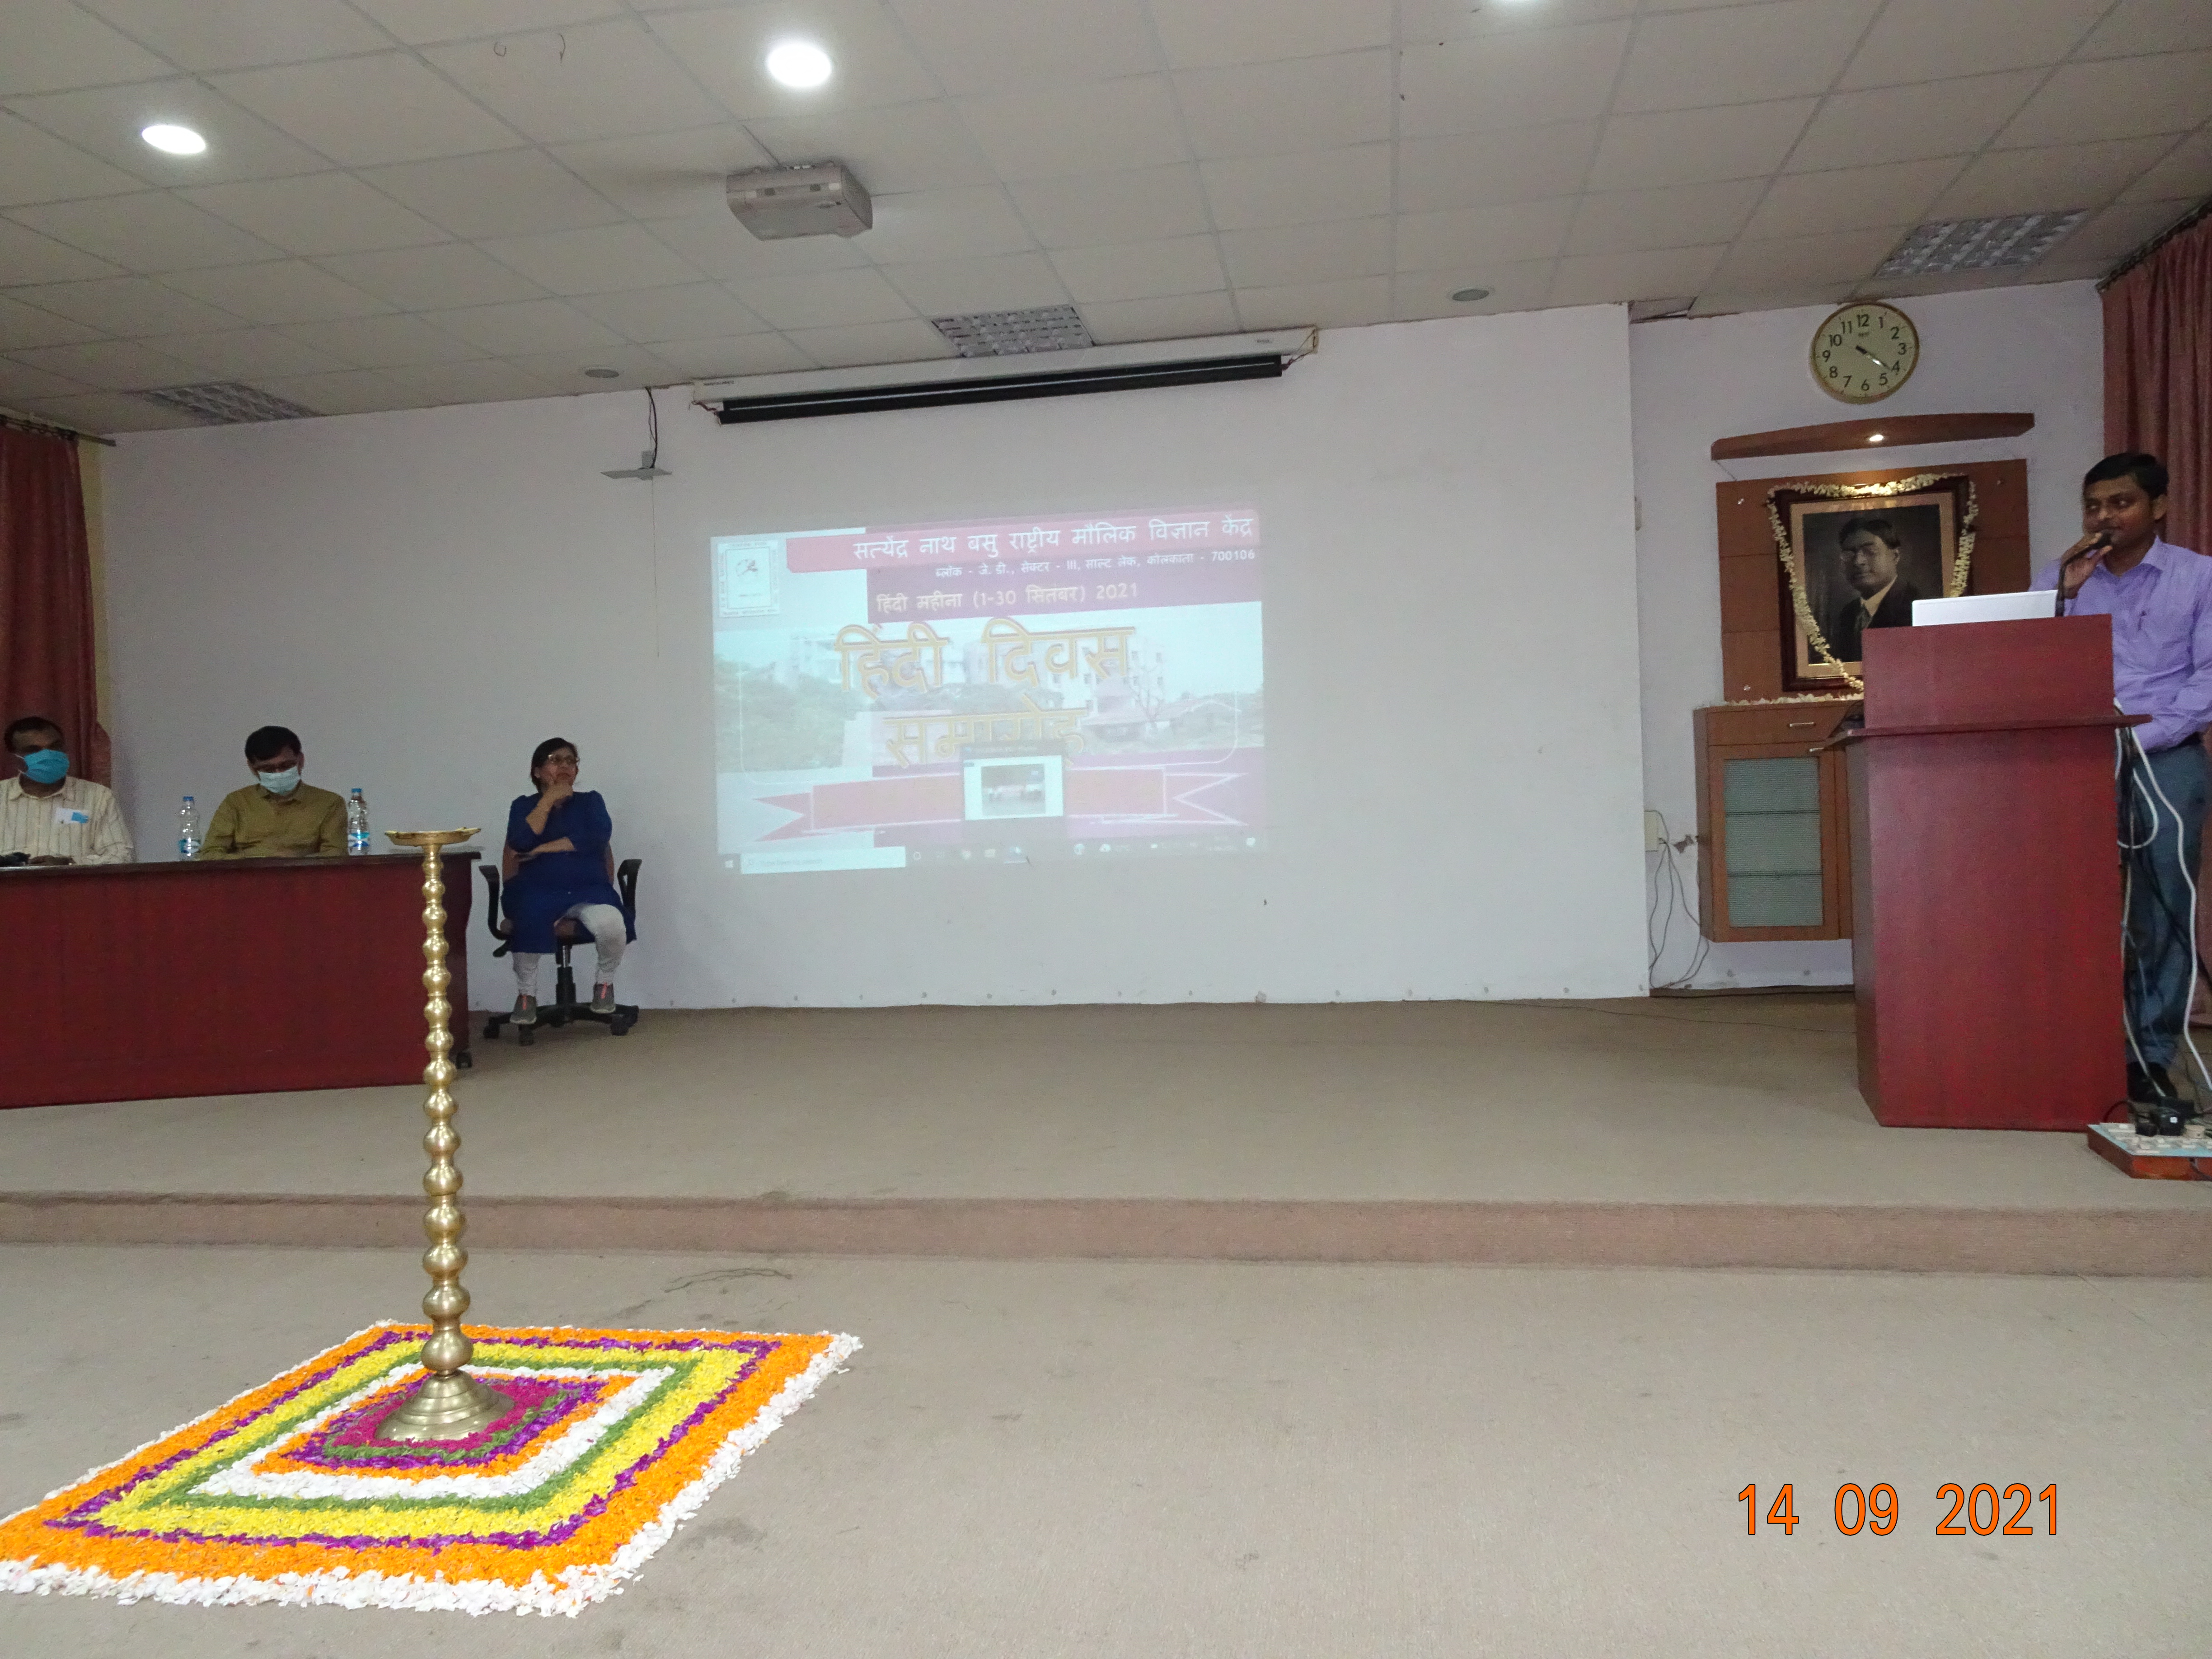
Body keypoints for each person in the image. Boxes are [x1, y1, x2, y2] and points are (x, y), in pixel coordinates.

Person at [2034, 453, 2212, 1108]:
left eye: (2121, 503)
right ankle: (2065, 1041)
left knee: (2161, 904)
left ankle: (2150, 1054)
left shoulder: (2199, 577)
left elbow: (2208, 677)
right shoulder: (2061, 578)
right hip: (2074, 758)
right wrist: (2063, 595)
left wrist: (2144, 737)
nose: (2104, 517)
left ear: (2158, 507)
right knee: (2061, 900)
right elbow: (2018, 658)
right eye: (2094, 506)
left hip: (2165, 754)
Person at [501, 737, 634, 1023]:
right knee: (527, 917)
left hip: (589, 891)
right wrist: (548, 800)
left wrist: (542, 849)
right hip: (538, 891)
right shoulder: (523, 807)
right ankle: (526, 995)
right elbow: (520, 842)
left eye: (570, 761)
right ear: (537, 771)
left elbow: (597, 837)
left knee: (612, 923)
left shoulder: (591, 802)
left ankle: (605, 984)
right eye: (555, 760)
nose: (565, 766)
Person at [0, 716, 133, 866]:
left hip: (74, 881)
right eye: (34, 751)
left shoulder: (98, 797)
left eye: (55, 747)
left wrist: (71, 864)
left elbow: (122, 856)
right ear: (14, 758)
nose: (48, 756)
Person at [198, 725, 347, 858]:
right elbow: (210, 853)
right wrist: (255, 860)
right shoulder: (236, 803)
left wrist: (293, 863)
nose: (278, 773)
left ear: (301, 760)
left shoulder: (329, 803)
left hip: (305, 877)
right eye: (268, 769)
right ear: (252, 768)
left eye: (286, 766)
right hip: (247, 877)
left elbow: (336, 854)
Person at [1823, 516, 1921, 662]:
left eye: (1870, 551)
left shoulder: (1915, 606)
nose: (1858, 561)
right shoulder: (1849, 613)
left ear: (1895, 556)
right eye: (1849, 554)